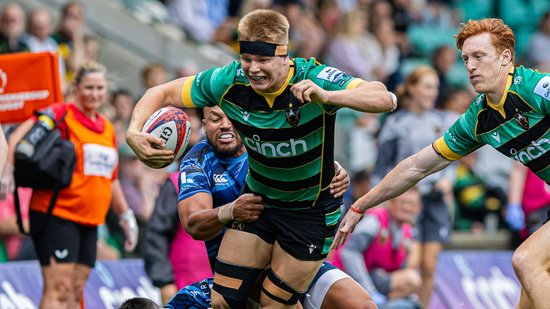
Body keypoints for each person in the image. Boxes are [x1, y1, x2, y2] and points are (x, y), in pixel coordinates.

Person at [126, 8, 395, 308]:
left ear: (284, 56)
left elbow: (384, 98)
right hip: (262, 202)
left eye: (263, 60)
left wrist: (329, 97)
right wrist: (133, 131)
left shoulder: (314, 77)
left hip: (310, 213)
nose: (253, 69)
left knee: (275, 304)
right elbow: (160, 93)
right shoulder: (228, 81)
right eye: (247, 59)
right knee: (222, 302)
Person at [332, 18, 550, 309]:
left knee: (526, 260)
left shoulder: (535, 88)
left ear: (506, 57)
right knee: (530, 292)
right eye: (465, 59)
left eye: (479, 57)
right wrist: (363, 204)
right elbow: (416, 167)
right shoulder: (477, 120)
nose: (470, 66)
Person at [166, 105, 373, 309]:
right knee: (283, 302)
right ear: (204, 125)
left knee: (361, 304)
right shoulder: (198, 160)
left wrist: (334, 172)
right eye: (215, 119)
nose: (225, 125)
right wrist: (229, 211)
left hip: (294, 254)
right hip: (245, 271)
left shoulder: (268, 144)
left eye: (231, 117)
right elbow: (194, 223)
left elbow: (310, 167)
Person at [8, 61, 138, 308]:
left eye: (100, 88)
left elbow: (110, 178)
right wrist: (7, 173)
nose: (94, 93)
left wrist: (125, 216)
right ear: (76, 87)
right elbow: (17, 137)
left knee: (75, 291)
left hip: (91, 221)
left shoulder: (107, 128)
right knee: (58, 288)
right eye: (89, 87)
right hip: (57, 214)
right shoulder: (61, 113)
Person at [371, 65, 457, 307]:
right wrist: (383, 200)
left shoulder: (444, 119)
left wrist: (447, 181)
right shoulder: (396, 122)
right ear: (411, 88)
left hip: (435, 199)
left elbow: (453, 160)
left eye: (436, 88)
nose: (433, 93)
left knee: (429, 265)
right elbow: (381, 166)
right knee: (411, 263)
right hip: (406, 202)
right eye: (428, 87)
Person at [330, 188, 423, 308]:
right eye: (402, 202)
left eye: (411, 204)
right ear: (391, 203)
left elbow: (400, 269)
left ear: (418, 208)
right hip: (347, 277)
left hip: (375, 278)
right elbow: (349, 252)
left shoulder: (407, 233)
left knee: (411, 284)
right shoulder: (374, 222)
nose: (406, 207)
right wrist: (370, 291)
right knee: (412, 278)